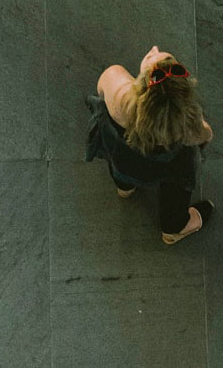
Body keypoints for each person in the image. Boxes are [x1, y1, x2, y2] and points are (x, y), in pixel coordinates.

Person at [89, 47, 216, 245]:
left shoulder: (118, 89)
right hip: (169, 167)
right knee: (175, 192)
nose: (154, 49)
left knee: (120, 167)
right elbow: (206, 137)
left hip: (124, 157)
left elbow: (100, 90)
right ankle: (172, 229)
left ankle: (125, 187)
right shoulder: (189, 125)